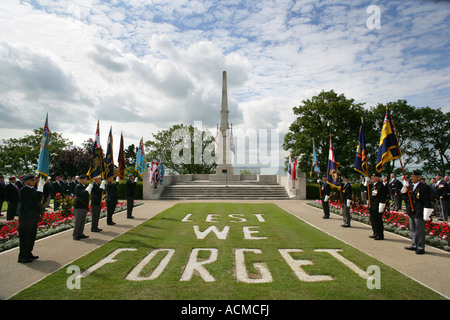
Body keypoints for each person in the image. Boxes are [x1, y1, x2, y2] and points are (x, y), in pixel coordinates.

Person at [402, 170, 432, 255]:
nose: (412, 178)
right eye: (411, 176)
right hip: (411, 210)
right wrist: (405, 187)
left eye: (414, 176)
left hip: (419, 210)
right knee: (413, 228)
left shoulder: (424, 187)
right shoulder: (410, 186)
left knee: (420, 229)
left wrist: (426, 213)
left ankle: (420, 247)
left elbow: (427, 200)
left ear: (419, 178)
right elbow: (404, 196)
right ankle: (414, 244)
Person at [17, 174, 42, 263]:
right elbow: (36, 198)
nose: (34, 181)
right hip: (26, 217)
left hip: (33, 216)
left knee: (31, 236)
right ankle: (22, 256)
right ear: (26, 181)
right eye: (32, 180)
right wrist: (41, 187)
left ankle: (28, 253)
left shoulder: (33, 189)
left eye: (34, 180)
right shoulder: (24, 190)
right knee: (25, 237)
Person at [367, 173, 388, 240]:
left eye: (374, 177)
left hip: (377, 204)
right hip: (372, 204)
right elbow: (365, 188)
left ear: (378, 178)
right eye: (372, 176)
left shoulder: (381, 186)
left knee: (378, 220)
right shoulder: (373, 185)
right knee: (373, 219)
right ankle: (375, 233)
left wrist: (382, 205)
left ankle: (380, 234)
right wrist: (365, 182)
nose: (372, 178)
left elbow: (382, 196)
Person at [72, 174, 90, 240]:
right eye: (85, 179)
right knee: (78, 221)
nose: (86, 180)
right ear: (82, 180)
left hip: (83, 206)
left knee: (82, 221)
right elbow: (82, 193)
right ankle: (75, 235)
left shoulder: (83, 186)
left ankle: (80, 233)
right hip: (79, 206)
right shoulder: (78, 186)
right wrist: (87, 190)